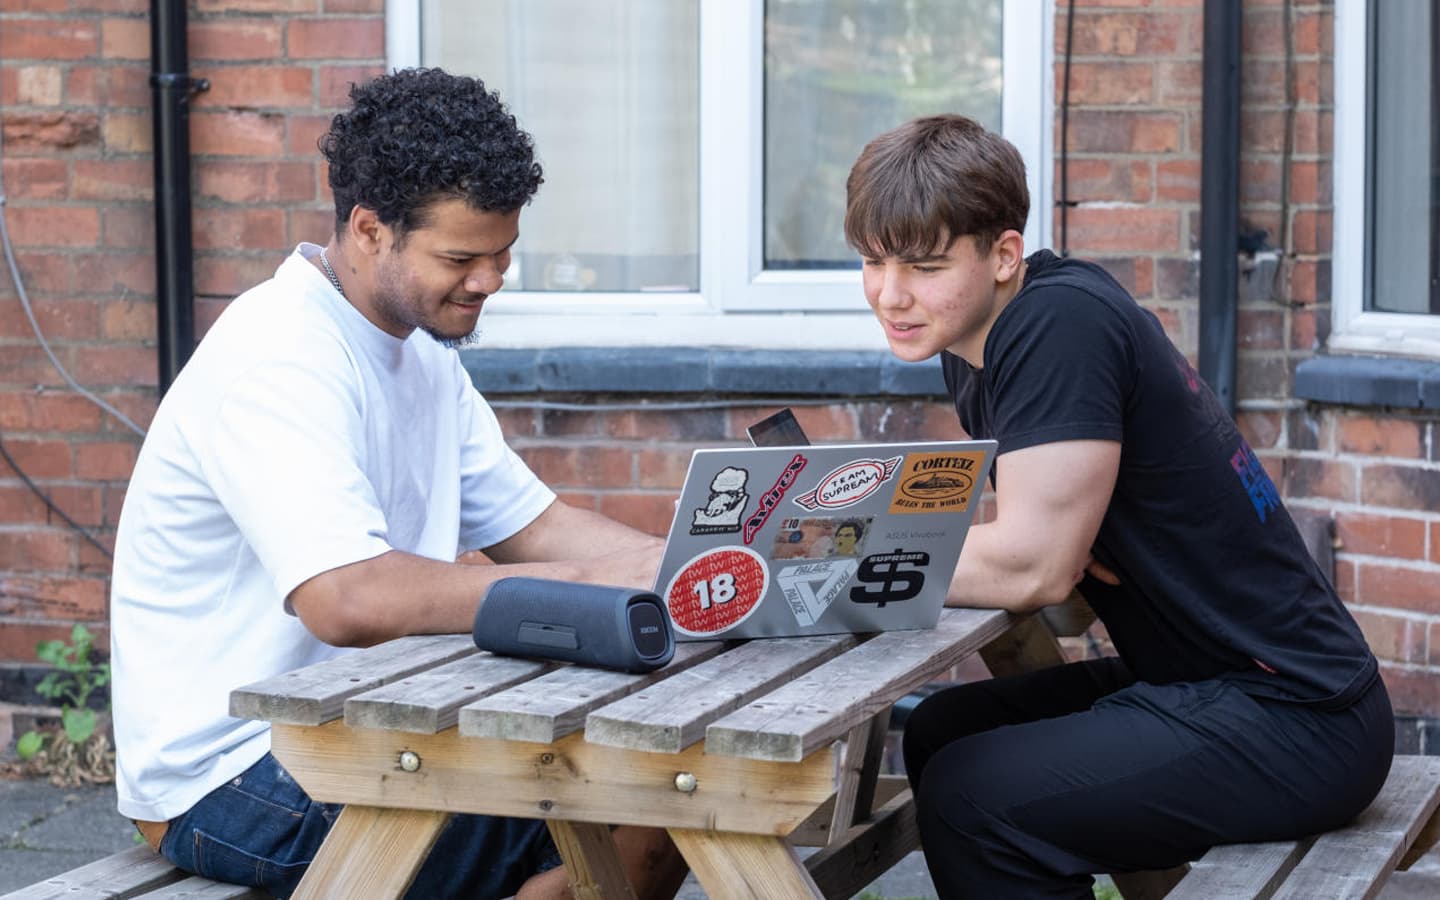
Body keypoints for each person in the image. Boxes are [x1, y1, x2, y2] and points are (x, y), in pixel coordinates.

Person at [109, 68, 687, 900]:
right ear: (370, 229)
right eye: (461, 256)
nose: (490, 279)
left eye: (504, 253)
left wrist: (697, 573)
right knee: (643, 802)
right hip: (231, 776)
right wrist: (594, 587)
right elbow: (347, 598)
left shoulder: (418, 350)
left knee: (661, 786)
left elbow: (537, 526)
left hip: (366, 727)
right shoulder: (278, 356)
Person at [843, 114, 1392, 899]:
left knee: (973, 799)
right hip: (1204, 682)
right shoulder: (977, 348)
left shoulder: (1054, 325)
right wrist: (1048, 549)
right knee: (943, 732)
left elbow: (1032, 566)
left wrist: (826, 559)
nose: (891, 296)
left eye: (925, 267)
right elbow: (1048, 569)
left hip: (1299, 715)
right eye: (872, 261)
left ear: (1004, 255)